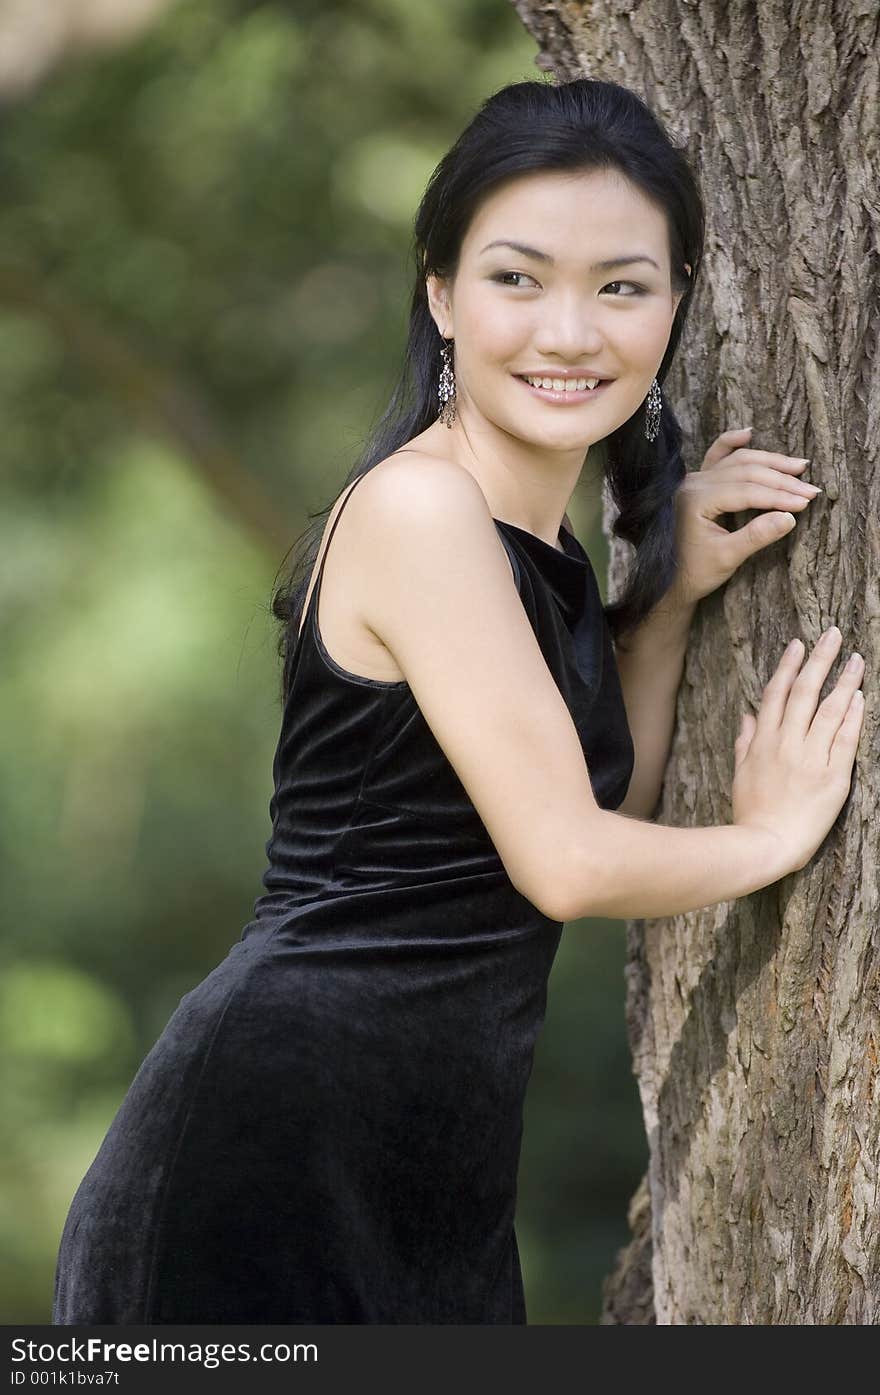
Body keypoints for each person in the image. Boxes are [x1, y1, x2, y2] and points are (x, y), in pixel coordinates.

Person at [51, 76, 864, 1325]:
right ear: (439, 294)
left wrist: (667, 598)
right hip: (270, 1157)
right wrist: (772, 838)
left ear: (676, 303)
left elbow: (606, 801)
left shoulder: (534, 544)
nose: (569, 332)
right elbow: (569, 866)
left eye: (621, 286)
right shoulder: (420, 511)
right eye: (517, 278)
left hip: (428, 1170)